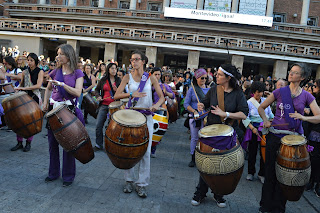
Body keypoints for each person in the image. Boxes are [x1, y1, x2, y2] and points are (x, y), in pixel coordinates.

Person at [258, 63, 320, 213]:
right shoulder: (280, 91)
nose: (290, 74)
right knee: (270, 173)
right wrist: (266, 120)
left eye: (295, 72)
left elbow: (318, 117)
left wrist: (303, 118)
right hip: (275, 136)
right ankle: (265, 206)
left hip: (292, 141)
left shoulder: (307, 95)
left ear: (303, 77)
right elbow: (261, 107)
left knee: (285, 176)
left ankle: (278, 208)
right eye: (290, 71)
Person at [191, 64, 248, 208]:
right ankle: (200, 192)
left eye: (220, 74)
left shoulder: (237, 93)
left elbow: (244, 113)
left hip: (227, 135)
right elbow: (204, 104)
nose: (216, 75)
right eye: (217, 74)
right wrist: (201, 106)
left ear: (228, 78)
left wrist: (226, 114)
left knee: (222, 167)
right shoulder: (213, 90)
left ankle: (218, 193)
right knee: (206, 164)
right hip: (211, 133)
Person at [114, 50, 164, 198]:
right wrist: (131, 94)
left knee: (146, 152)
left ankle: (142, 184)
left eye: (136, 59)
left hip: (147, 118)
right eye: (132, 59)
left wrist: (156, 105)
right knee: (128, 150)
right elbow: (116, 95)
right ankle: (128, 181)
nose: (133, 62)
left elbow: (161, 98)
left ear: (143, 62)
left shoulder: (150, 78)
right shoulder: (127, 77)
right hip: (130, 117)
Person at [43, 44, 84, 187]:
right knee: (52, 144)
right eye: (57, 53)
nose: (58, 56)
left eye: (61, 54)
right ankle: (53, 173)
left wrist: (61, 84)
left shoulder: (78, 73)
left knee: (69, 144)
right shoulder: (55, 72)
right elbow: (48, 89)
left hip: (69, 110)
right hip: (54, 109)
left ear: (69, 56)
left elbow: (78, 92)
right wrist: (44, 102)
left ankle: (68, 176)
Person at [11, 53, 44, 152]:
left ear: (35, 61)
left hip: (34, 98)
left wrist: (24, 88)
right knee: (20, 119)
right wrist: (16, 90)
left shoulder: (40, 71)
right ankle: (19, 142)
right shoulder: (25, 72)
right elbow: (21, 84)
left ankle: (28, 143)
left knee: (31, 121)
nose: (29, 62)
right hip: (24, 98)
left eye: (31, 60)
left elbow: (38, 86)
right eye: (28, 60)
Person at [242, 81, 274, 183]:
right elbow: (245, 118)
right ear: (253, 92)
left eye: (260, 92)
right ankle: (251, 172)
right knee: (252, 152)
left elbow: (270, 115)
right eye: (256, 92)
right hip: (254, 130)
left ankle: (261, 173)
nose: (258, 94)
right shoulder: (249, 102)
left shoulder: (266, 101)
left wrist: (271, 121)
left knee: (264, 152)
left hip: (265, 129)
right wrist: (252, 128)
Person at [183, 68, 210, 167]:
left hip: (206, 117)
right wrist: (194, 111)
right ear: (197, 78)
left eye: (205, 78)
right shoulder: (192, 89)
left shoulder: (210, 90)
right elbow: (186, 104)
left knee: (204, 138)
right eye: (201, 78)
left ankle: (202, 157)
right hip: (194, 117)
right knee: (194, 138)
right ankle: (193, 158)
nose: (203, 80)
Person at [93, 62, 121, 151]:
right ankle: (98, 144)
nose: (114, 70)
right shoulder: (103, 80)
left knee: (111, 128)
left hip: (115, 106)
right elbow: (96, 90)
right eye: (112, 68)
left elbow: (123, 93)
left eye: (115, 69)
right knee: (98, 125)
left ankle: (109, 146)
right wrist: (98, 96)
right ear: (108, 69)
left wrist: (117, 91)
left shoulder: (119, 81)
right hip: (104, 105)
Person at [150, 67, 175, 157]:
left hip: (160, 110)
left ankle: (153, 150)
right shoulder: (148, 84)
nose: (157, 76)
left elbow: (173, 96)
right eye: (155, 74)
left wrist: (166, 93)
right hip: (149, 109)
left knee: (156, 131)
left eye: (159, 74)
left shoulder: (164, 86)